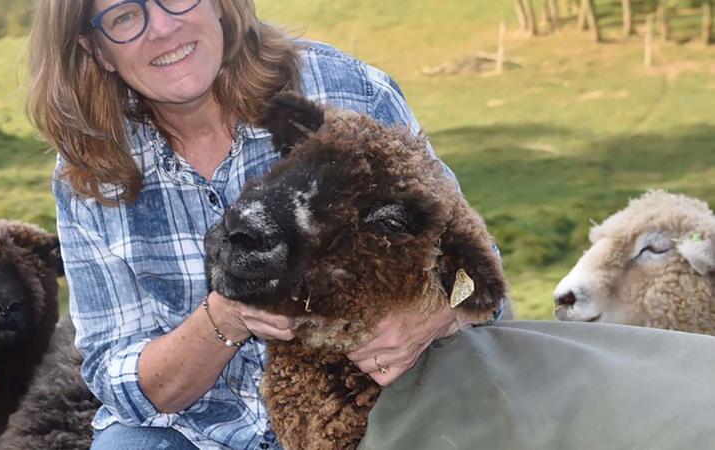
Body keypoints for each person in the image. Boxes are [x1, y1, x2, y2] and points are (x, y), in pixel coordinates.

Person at [27, 1, 498, 448]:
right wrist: (226, 317)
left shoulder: (347, 91)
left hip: (370, 406)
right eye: (126, 16)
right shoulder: (90, 174)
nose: (164, 27)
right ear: (96, 50)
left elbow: (471, 264)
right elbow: (116, 373)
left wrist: (432, 316)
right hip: (188, 430)